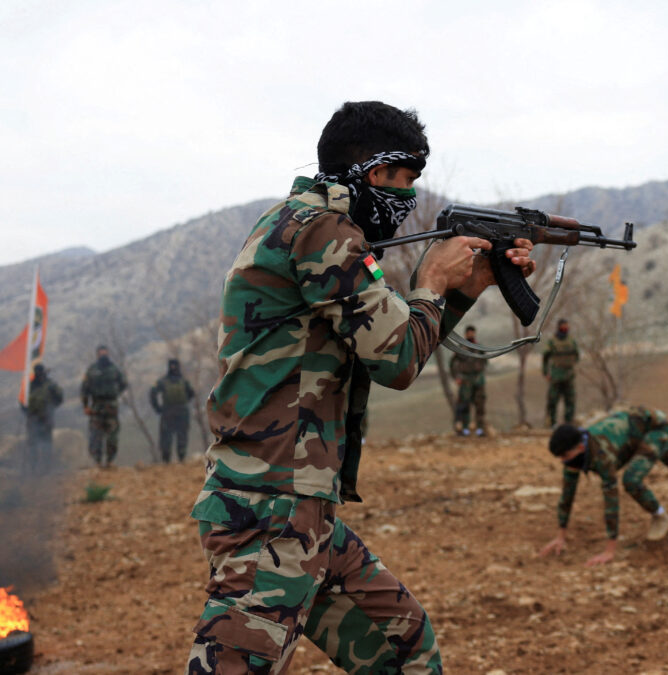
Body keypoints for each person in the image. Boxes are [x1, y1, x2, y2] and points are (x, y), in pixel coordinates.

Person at [185, 101, 535, 674]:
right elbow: (395, 359)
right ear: (372, 172)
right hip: (270, 509)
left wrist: (463, 289)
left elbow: (392, 346)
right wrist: (431, 280)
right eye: (403, 181)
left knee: (404, 649)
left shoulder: (308, 225)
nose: (408, 200)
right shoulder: (321, 231)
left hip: (302, 508)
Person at [538, 407, 668, 566]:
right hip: (634, 437)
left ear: (579, 446)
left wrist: (609, 550)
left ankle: (661, 516)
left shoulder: (601, 454)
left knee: (632, 480)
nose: (562, 461)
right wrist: (560, 536)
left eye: (564, 455)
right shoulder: (573, 458)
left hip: (654, 428)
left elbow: (611, 500)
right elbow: (567, 496)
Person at [80, 345, 127, 468]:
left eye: (105, 353)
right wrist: (85, 405)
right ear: (97, 355)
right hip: (96, 406)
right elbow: (84, 389)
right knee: (96, 435)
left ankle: (110, 461)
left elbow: (123, 384)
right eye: (101, 354)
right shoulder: (91, 370)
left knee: (112, 435)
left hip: (111, 406)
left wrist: (115, 393)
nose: (103, 356)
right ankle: (97, 461)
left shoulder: (114, 369)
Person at [150, 359, 195, 462]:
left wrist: (158, 408)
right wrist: (158, 408)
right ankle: (179, 458)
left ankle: (171, 459)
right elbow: (191, 394)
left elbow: (153, 393)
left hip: (170, 411)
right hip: (178, 411)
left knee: (171, 436)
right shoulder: (183, 381)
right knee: (177, 435)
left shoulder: (164, 381)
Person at [22, 363, 64, 475]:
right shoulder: (29, 386)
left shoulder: (51, 385)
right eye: (38, 372)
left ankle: (46, 469)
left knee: (46, 444)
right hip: (32, 419)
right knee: (32, 444)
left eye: (41, 372)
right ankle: (33, 468)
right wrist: (27, 412)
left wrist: (51, 408)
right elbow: (22, 402)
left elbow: (60, 398)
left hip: (46, 418)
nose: (40, 374)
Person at [449, 325, 487, 436]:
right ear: (466, 334)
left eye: (473, 332)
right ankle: (465, 430)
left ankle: (480, 430)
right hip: (465, 381)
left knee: (480, 406)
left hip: (478, 380)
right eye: (469, 333)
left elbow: (484, 362)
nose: (471, 334)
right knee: (464, 406)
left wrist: (481, 374)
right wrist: (456, 377)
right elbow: (452, 364)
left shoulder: (479, 347)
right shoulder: (461, 348)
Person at [542, 318, 580, 426]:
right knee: (552, 401)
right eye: (563, 326)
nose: (565, 328)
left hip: (569, 376)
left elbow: (576, 356)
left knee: (570, 401)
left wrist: (570, 365)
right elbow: (545, 357)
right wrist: (546, 372)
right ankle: (552, 423)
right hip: (556, 376)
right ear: (559, 327)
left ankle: (568, 423)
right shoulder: (552, 341)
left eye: (567, 326)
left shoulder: (571, 340)